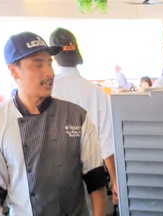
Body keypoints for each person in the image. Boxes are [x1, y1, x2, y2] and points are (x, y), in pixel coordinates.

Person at [0, 32, 108, 216]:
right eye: (37, 64)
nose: (48, 72)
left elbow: (95, 177)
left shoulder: (76, 116)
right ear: (14, 71)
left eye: (49, 62)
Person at [48, 27, 118, 206]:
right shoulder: (96, 92)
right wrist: (116, 182)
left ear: (54, 58)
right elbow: (106, 142)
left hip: (56, 176)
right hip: (93, 175)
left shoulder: (48, 91)